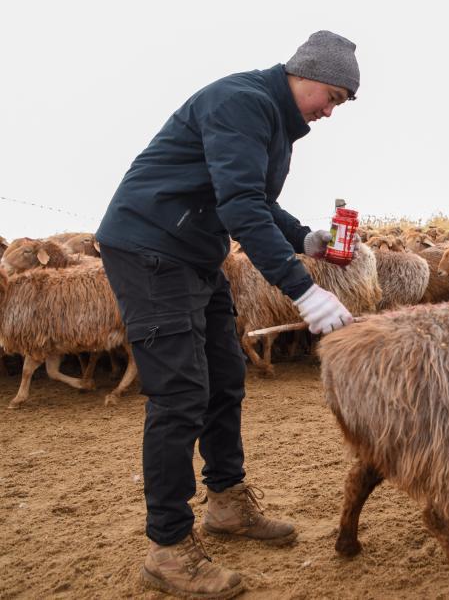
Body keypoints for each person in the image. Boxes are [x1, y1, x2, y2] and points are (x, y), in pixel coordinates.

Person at [96, 31, 359, 598]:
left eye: (338, 104)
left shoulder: (276, 121)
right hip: (150, 249)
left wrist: (305, 238)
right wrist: (304, 293)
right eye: (331, 97)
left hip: (193, 254)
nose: (330, 112)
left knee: (225, 377)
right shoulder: (243, 102)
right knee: (179, 394)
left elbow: (254, 198)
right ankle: (167, 548)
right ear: (304, 74)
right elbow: (239, 205)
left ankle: (226, 504)